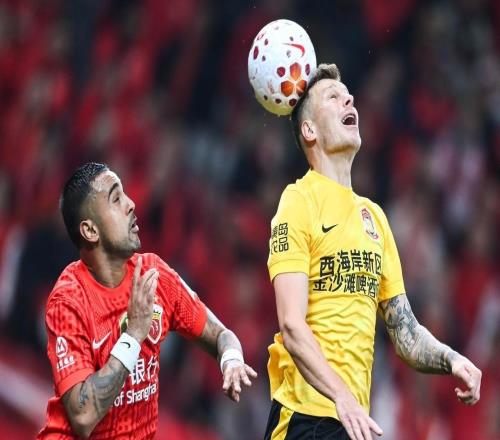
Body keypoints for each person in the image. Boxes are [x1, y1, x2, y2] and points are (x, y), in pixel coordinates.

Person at [263, 64, 482, 440]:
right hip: (304, 417)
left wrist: (453, 359)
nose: (349, 99)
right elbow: (292, 326)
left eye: (348, 94)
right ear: (309, 130)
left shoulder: (375, 218)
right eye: (333, 97)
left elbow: (406, 333)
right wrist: (341, 397)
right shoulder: (298, 201)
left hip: (352, 422)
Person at [37, 162, 257, 439]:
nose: (131, 204)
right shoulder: (68, 300)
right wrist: (133, 336)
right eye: (116, 199)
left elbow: (221, 335)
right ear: (90, 231)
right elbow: (83, 416)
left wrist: (231, 360)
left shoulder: (154, 275)